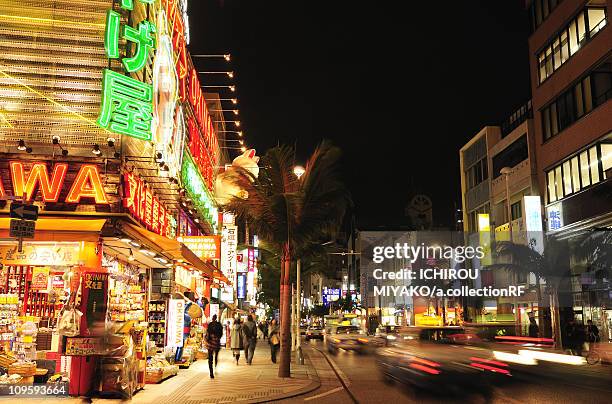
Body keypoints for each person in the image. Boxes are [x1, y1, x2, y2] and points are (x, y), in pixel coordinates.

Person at [205, 314, 223, 378]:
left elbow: (207, 333)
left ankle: (211, 372)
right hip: (217, 342)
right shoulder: (219, 325)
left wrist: (207, 339)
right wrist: (217, 338)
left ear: (212, 318)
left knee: (210, 358)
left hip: (210, 343)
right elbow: (221, 333)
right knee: (216, 356)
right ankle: (215, 365)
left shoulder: (210, 325)